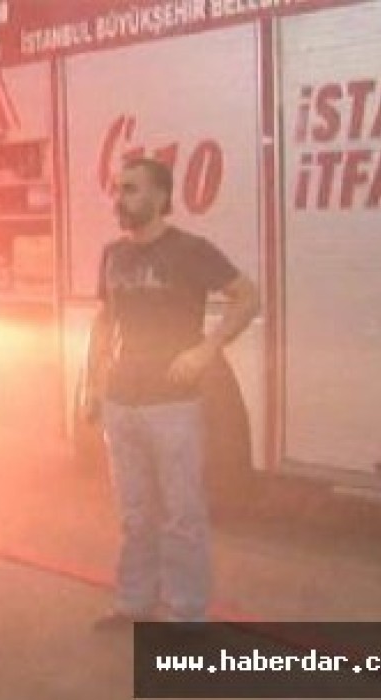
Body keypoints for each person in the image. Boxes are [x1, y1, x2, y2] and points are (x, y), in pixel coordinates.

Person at [84, 158, 259, 626]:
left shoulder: (190, 251)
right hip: (122, 401)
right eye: (117, 190)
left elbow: (248, 297)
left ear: (161, 197)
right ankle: (134, 603)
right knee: (135, 513)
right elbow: (105, 320)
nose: (119, 199)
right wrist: (93, 383)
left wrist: (207, 348)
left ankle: (186, 614)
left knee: (182, 515)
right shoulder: (113, 255)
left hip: (173, 405)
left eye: (131, 189)